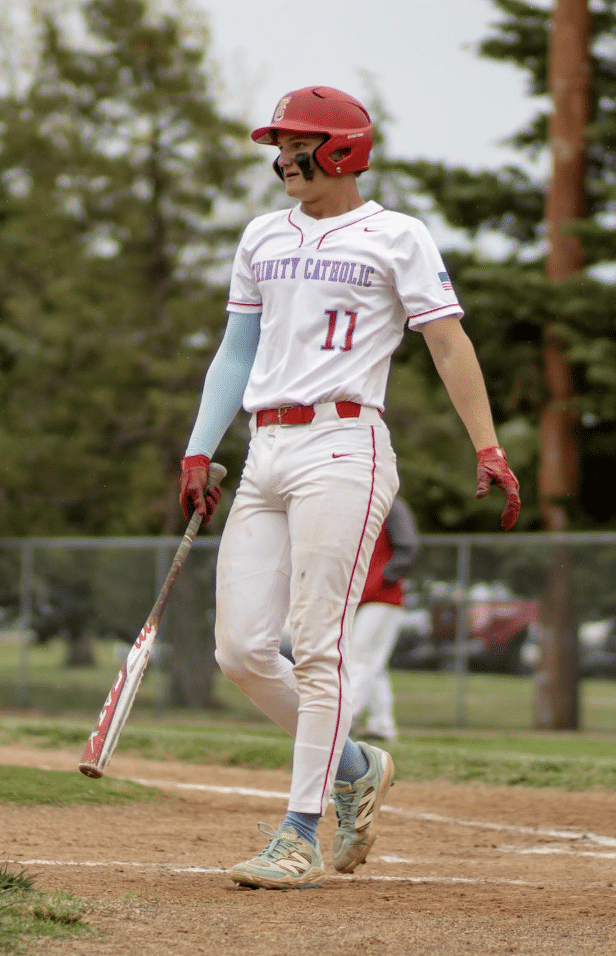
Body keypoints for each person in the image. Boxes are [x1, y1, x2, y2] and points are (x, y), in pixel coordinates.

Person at [179, 85, 520, 890]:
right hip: (266, 448)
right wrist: (198, 450)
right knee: (241, 651)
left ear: (343, 150)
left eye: (296, 143)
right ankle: (358, 766)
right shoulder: (263, 235)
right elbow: (236, 351)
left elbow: (447, 343)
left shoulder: (397, 235)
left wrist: (488, 445)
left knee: (317, 644)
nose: (282, 159)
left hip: (345, 445)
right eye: (280, 145)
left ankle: (298, 833)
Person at [349, 496, 420, 743]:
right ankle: (382, 724)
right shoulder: (360, 505)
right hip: (368, 596)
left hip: (383, 597)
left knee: (358, 656)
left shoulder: (391, 505)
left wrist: (384, 576)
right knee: (374, 664)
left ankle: (345, 717)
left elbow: (408, 547)